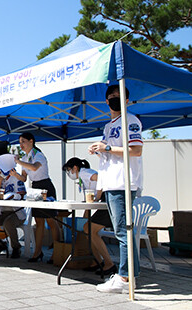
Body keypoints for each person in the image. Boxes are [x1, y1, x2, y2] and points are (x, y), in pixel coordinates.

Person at [90, 85, 143, 294]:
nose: (114, 99)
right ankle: (131, 274)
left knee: (122, 231)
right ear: (106, 101)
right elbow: (109, 150)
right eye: (111, 97)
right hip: (111, 182)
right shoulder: (108, 125)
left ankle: (123, 277)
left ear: (127, 101)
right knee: (123, 230)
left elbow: (136, 150)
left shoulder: (130, 121)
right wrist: (99, 149)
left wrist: (108, 148)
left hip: (123, 182)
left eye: (119, 97)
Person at [62, 157, 116, 275]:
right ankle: (97, 261)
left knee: (89, 229)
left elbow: (100, 178)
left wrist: (99, 196)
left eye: (69, 170)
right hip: (104, 201)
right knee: (87, 230)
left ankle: (109, 263)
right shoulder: (82, 177)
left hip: (108, 200)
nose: (69, 173)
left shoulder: (84, 172)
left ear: (75, 168)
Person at [14, 132, 60, 263]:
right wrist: (14, 173)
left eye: (23, 141)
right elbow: (23, 178)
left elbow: (34, 168)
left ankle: (57, 252)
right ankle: (37, 252)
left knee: (51, 220)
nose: (21, 145)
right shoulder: (25, 157)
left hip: (46, 186)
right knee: (38, 221)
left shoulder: (38, 155)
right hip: (35, 188)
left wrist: (19, 161)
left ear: (31, 141)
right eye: (20, 142)